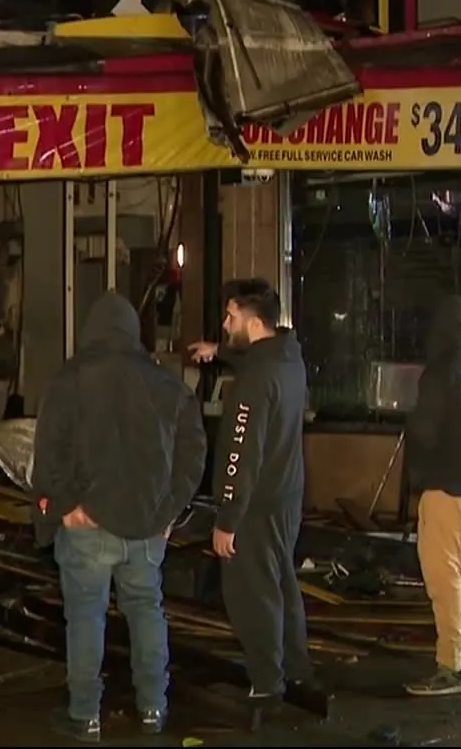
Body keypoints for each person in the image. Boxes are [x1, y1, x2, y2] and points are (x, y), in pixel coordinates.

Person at [35, 292, 209, 741]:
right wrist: (169, 508)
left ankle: (85, 715)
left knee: (86, 617)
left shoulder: (71, 378)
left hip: (87, 523)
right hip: (147, 526)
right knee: (146, 610)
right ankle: (154, 708)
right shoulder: (168, 385)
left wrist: (62, 506)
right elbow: (194, 454)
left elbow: (48, 452)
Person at [187, 279, 316, 707]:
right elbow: (251, 357)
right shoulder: (288, 359)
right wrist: (219, 352)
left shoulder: (255, 381)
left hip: (255, 507)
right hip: (286, 499)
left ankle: (266, 683)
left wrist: (227, 519)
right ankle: (297, 671)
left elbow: (240, 454)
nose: (225, 324)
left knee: (251, 596)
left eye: (231, 317)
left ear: (254, 321)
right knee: (281, 584)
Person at [402, 294, 461, 696]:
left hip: (444, 487)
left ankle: (450, 665)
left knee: (444, 580)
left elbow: (425, 429)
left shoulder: (440, 369)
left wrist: (417, 470)